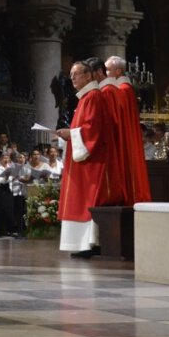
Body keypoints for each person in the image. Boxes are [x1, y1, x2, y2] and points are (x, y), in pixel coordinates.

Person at [54, 58, 116, 258]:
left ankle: (89, 244)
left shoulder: (93, 97)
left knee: (86, 199)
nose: (72, 78)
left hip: (91, 163)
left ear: (89, 75)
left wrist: (70, 134)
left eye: (76, 74)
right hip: (83, 162)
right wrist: (70, 133)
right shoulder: (85, 98)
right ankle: (83, 244)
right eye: (70, 75)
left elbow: (92, 130)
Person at [105, 56, 152, 204]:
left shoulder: (123, 89)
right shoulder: (123, 88)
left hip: (124, 136)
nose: (105, 73)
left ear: (118, 71)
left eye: (107, 70)